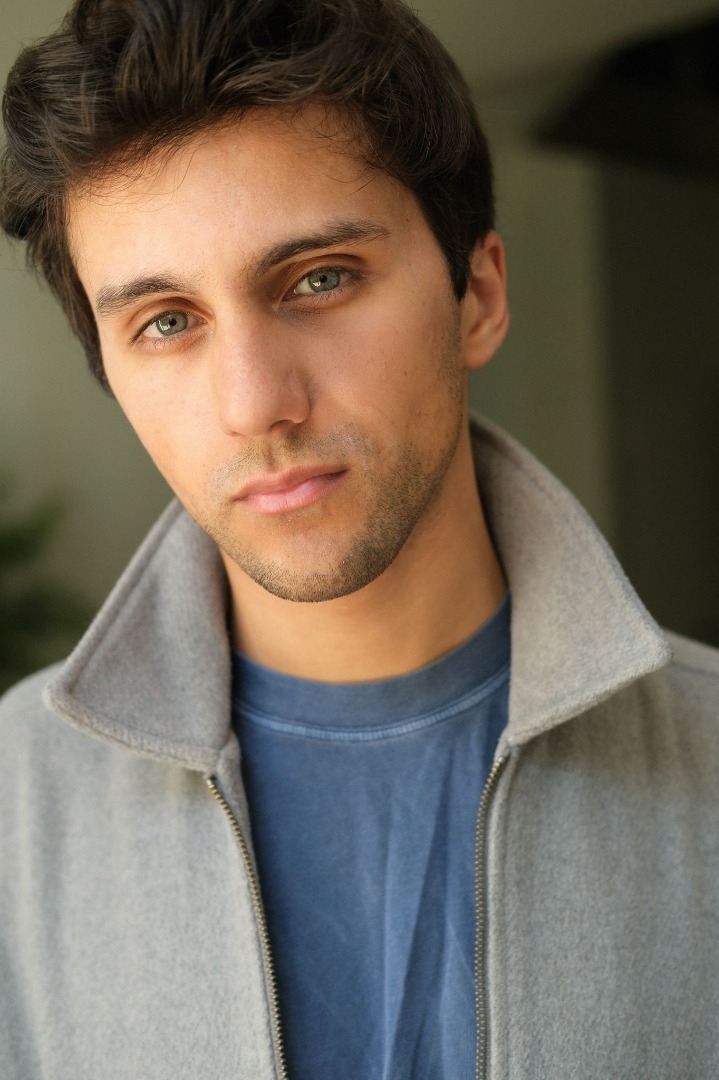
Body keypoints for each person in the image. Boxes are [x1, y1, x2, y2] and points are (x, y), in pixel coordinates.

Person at [1, 0, 718, 1076]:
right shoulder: (15, 809)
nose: (255, 403)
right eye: (167, 322)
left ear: (477, 295)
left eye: (319, 278)